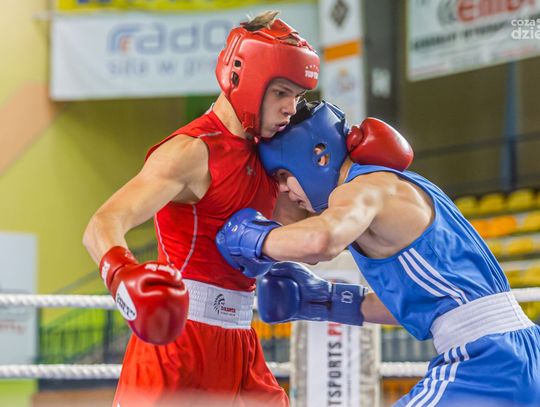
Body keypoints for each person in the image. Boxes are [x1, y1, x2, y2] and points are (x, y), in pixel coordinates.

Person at [216, 100, 540, 406]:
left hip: (487, 360)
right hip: (522, 349)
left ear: (318, 155)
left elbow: (321, 240)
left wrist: (251, 238)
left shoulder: (363, 187)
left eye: (283, 175)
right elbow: (429, 305)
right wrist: (326, 300)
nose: (284, 190)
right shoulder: (394, 188)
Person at [83, 11, 320, 406]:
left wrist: (353, 173)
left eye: (296, 96)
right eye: (281, 93)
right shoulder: (192, 152)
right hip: (179, 347)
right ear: (244, 79)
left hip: (241, 342)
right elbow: (103, 222)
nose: (290, 109)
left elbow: (313, 236)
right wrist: (123, 277)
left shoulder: (267, 156)